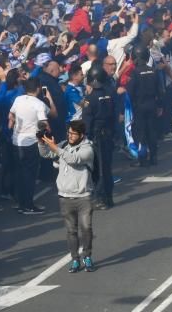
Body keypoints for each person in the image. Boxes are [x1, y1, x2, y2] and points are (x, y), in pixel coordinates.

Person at [38, 120, 96, 273]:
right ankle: (75, 259)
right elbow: (46, 154)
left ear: (81, 135)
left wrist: (56, 148)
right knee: (71, 231)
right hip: (65, 196)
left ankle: (87, 256)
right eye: (69, 133)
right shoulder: (63, 145)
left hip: (83, 196)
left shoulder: (88, 149)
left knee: (86, 228)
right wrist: (42, 143)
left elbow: (73, 159)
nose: (70, 136)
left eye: (73, 134)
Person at [8, 78, 50, 215]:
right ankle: (28, 205)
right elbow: (44, 123)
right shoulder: (39, 104)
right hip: (31, 142)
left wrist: (14, 125)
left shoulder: (18, 99)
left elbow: (11, 114)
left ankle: (20, 203)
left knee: (20, 174)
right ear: (38, 89)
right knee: (30, 175)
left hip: (16, 141)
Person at [84, 65, 117, 210]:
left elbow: (87, 120)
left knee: (99, 170)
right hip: (108, 133)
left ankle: (100, 197)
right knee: (107, 168)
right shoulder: (110, 94)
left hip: (96, 136)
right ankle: (108, 197)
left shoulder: (90, 99)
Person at [126, 47, 164, 166]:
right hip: (152, 104)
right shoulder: (154, 71)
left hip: (139, 106)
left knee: (140, 133)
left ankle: (142, 159)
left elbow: (130, 92)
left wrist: (129, 108)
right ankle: (154, 156)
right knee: (152, 131)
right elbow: (160, 91)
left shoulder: (135, 73)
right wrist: (160, 106)